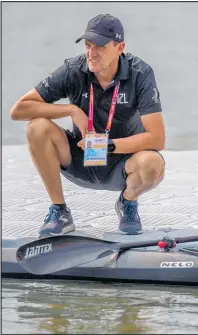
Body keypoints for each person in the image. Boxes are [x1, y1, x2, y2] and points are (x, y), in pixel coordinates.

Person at [10, 14, 166, 237]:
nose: (91, 53)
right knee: (37, 127)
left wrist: (108, 145)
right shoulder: (74, 69)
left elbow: (157, 139)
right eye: (88, 45)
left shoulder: (140, 73)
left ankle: (127, 202)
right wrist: (71, 110)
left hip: (122, 163)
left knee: (153, 163)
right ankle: (59, 211)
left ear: (120, 47)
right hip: (80, 156)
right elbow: (19, 110)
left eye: (100, 46)